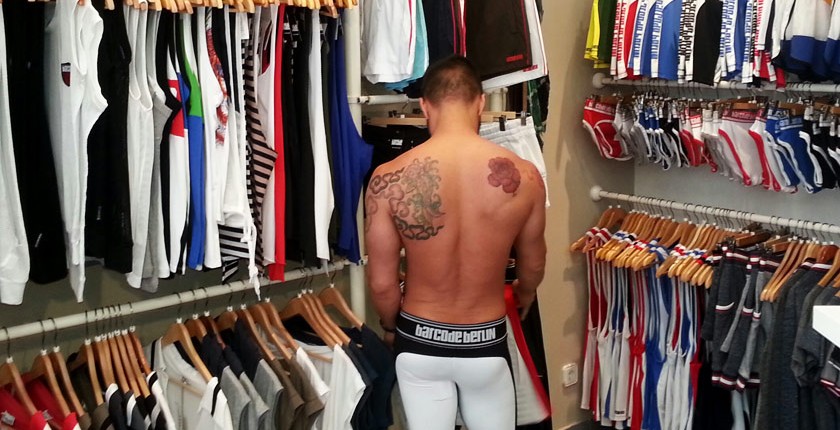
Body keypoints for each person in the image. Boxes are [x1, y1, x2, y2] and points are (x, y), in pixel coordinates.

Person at [364, 55, 547, 430]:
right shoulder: (526, 177)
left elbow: (382, 283)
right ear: (480, 103)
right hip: (485, 340)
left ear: (424, 106)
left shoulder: (388, 178)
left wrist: (390, 326)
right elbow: (533, 265)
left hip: (419, 340)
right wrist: (524, 295)